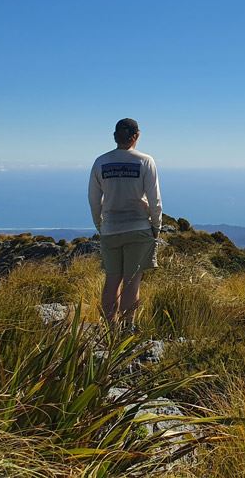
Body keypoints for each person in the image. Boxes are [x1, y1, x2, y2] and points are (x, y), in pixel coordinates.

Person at [88, 118, 162, 331]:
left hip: (110, 229)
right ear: (136, 136)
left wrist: (100, 225)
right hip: (139, 229)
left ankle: (110, 328)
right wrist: (156, 227)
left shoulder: (100, 162)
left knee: (112, 280)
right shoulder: (145, 161)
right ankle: (128, 327)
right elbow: (155, 200)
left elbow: (94, 199)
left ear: (115, 136)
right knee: (132, 281)